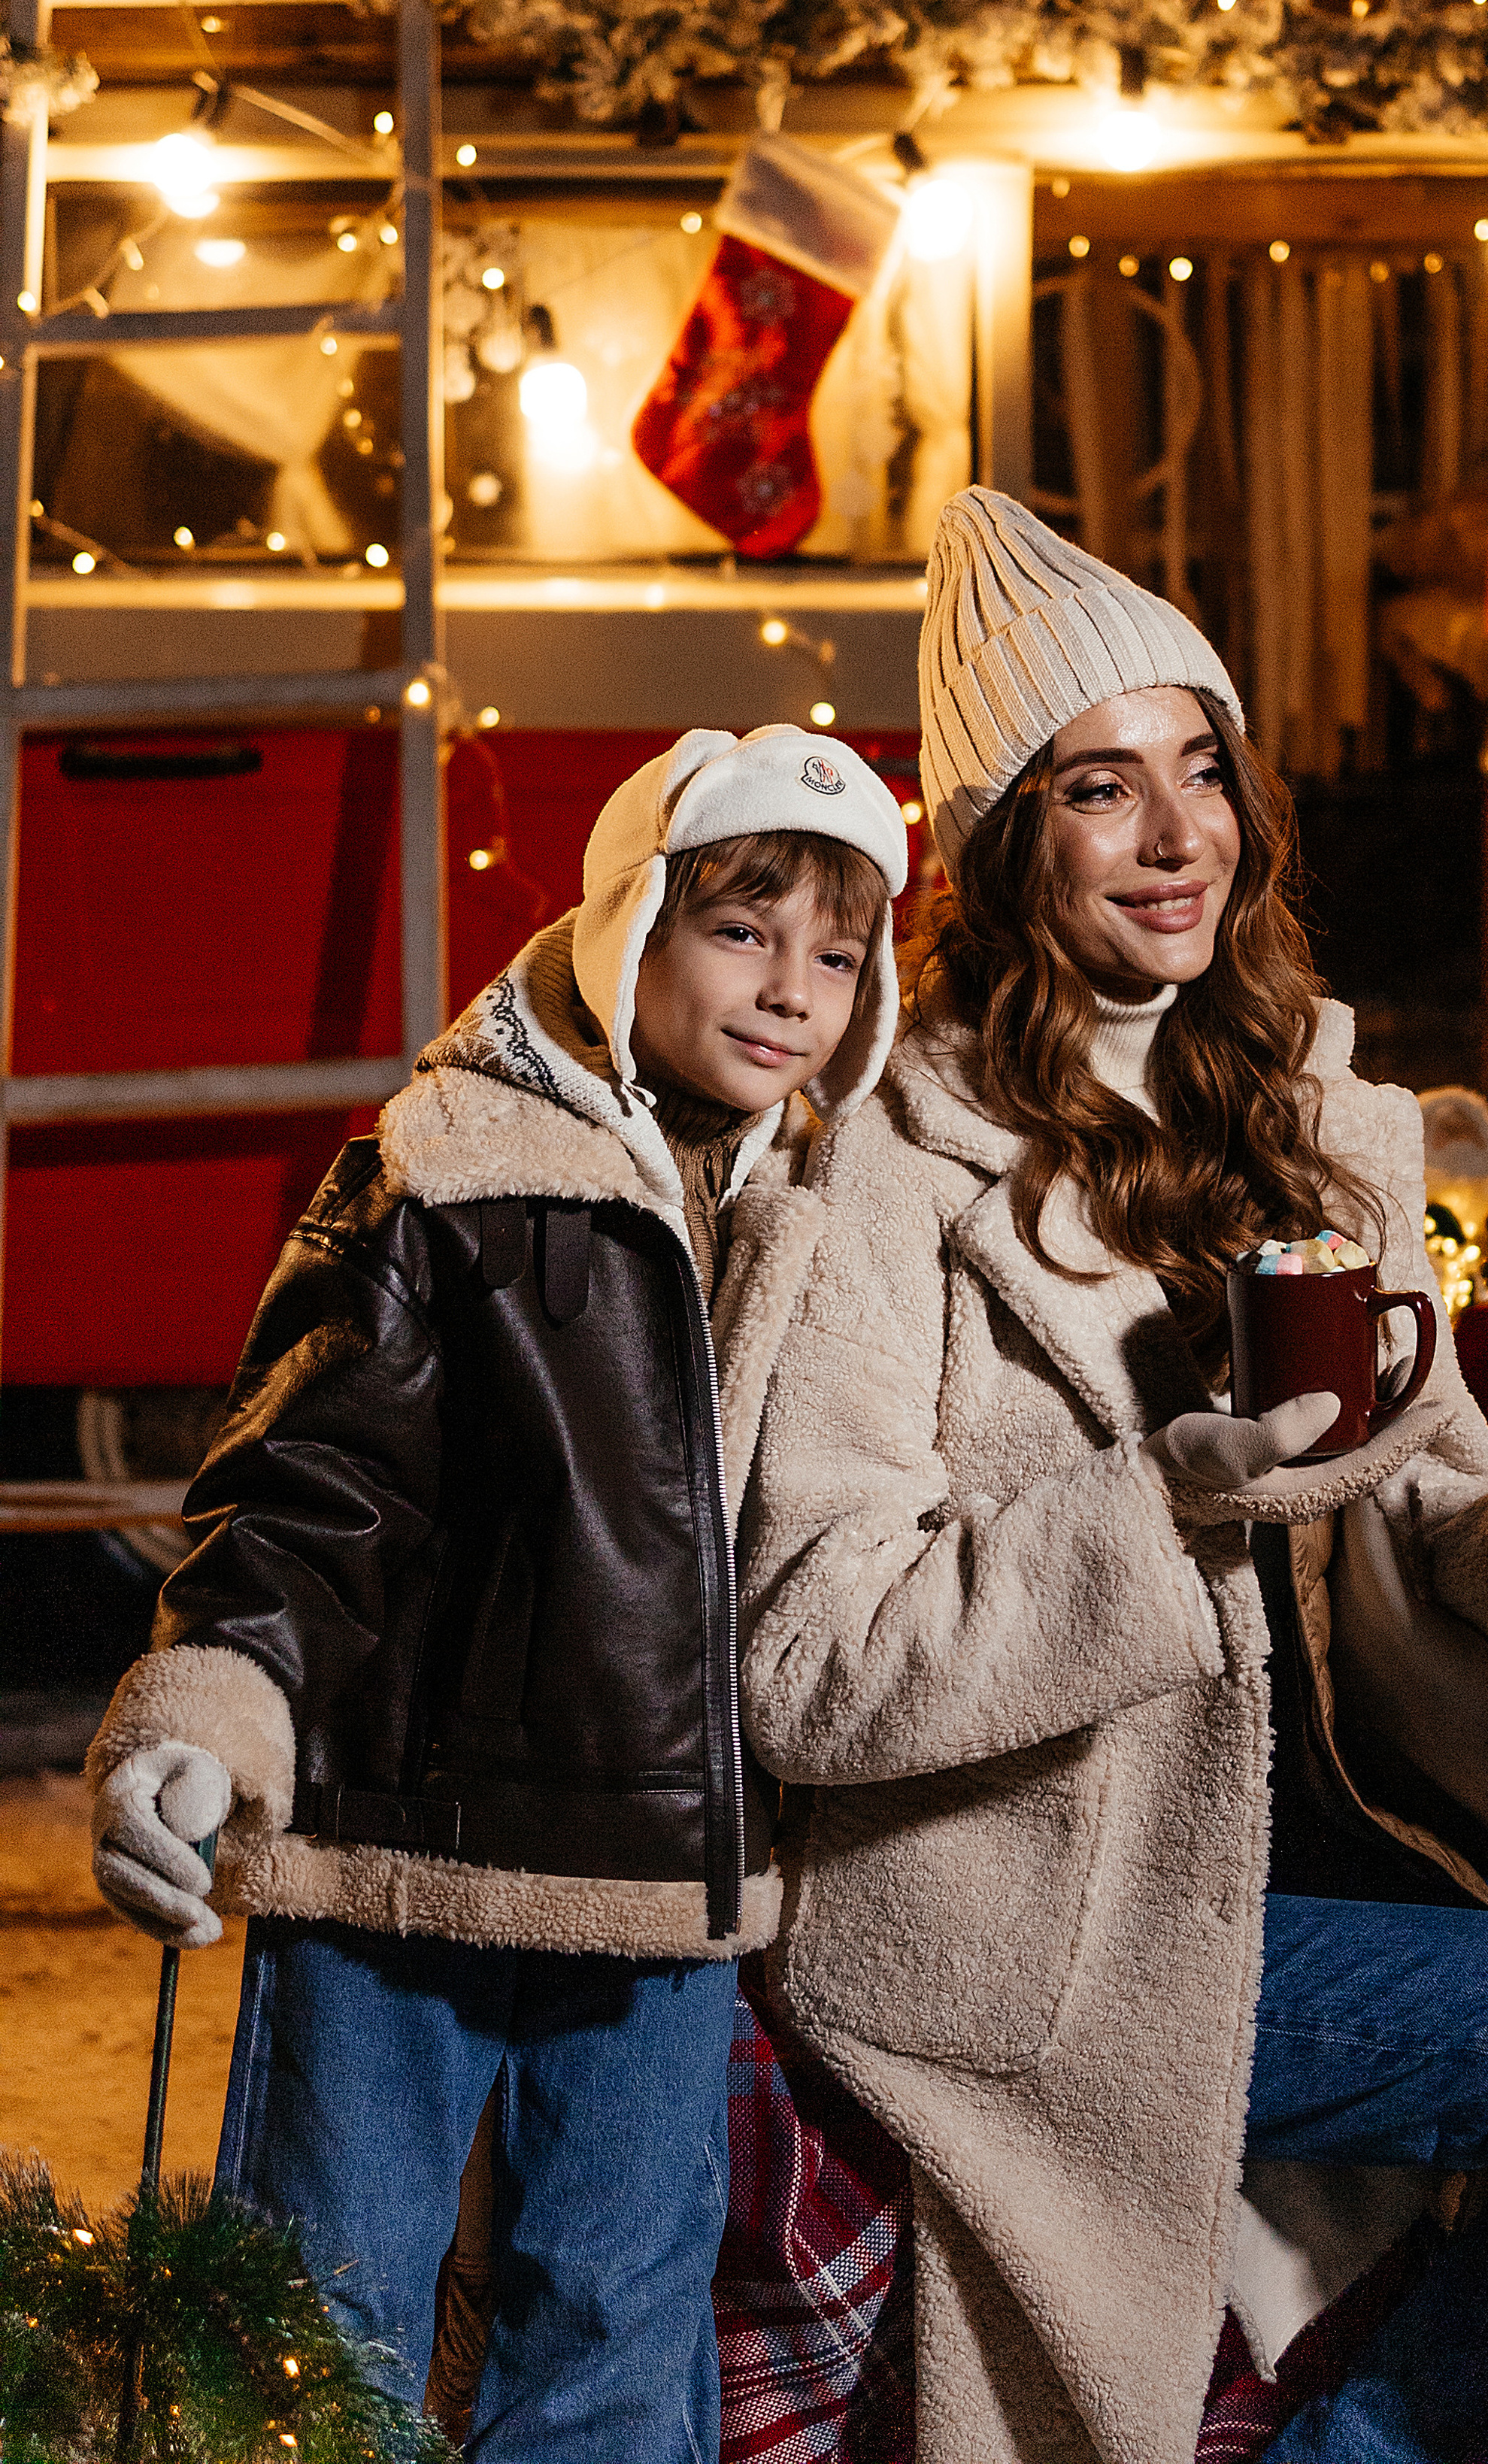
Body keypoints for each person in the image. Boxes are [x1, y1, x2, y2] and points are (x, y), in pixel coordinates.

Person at [736, 490, 1488, 2464]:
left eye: (1203, 767)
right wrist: (1165, 1512)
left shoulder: (1319, 1128)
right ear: (1002, 834)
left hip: (1324, 1843)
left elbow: (1435, 1485)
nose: (1180, 834)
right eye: (1104, 789)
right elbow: (812, 1662)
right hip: (1041, 1902)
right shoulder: (877, 1169)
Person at [84, 725, 908, 2464]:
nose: (792, 992)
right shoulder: (449, 1162)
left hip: (657, 1888)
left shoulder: (805, 1205)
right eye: (742, 932)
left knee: (614, 2313)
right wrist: (206, 1716)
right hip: (402, 1861)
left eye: (836, 956)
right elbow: (314, 1485)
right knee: (321, 2308)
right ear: (630, 927)